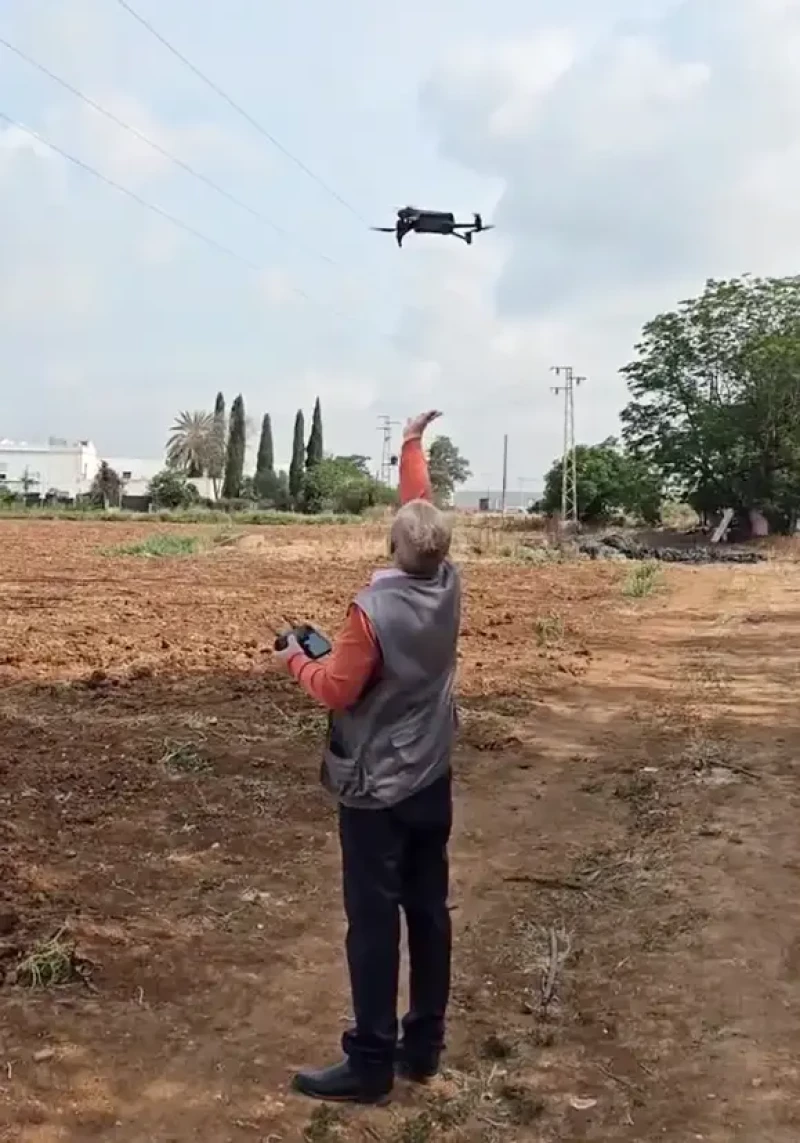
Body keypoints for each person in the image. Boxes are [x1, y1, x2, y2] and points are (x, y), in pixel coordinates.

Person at [274, 409, 461, 1105]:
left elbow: (337, 685)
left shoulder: (370, 613)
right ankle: (425, 1046)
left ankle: (371, 1061)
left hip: (376, 788)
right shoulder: (448, 584)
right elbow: (421, 509)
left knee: (374, 921)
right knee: (429, 909)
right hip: (431, 776)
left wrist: (296, 656)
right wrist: (412, 444)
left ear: (390, 544)